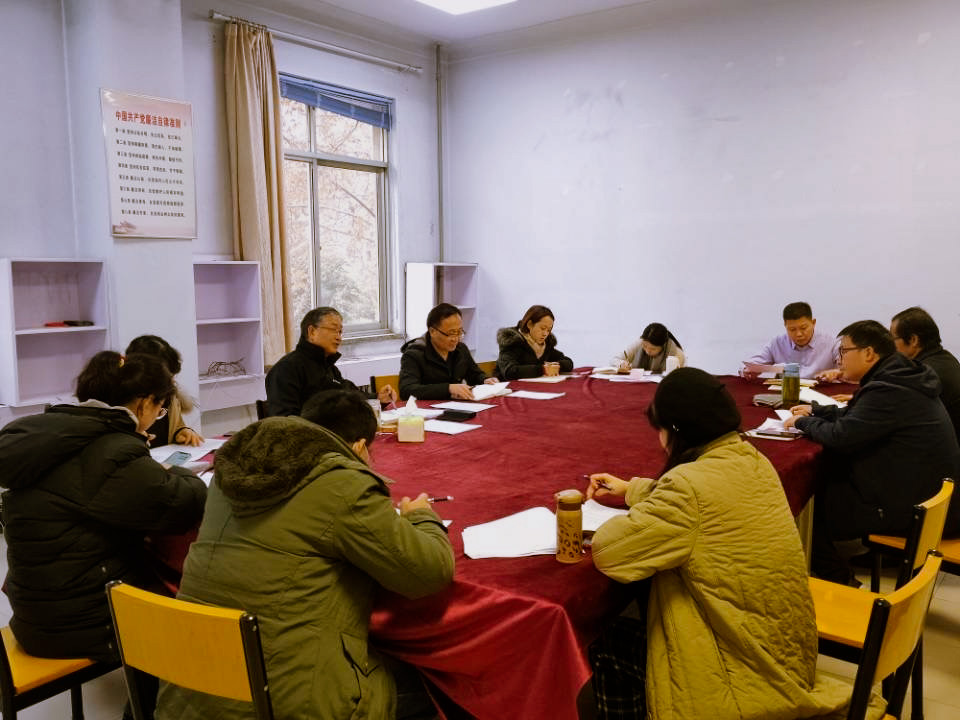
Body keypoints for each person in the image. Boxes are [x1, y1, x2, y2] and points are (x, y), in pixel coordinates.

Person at [155, 389, 455, 720]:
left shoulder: (232, 471)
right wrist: (422, 517)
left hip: (189, 688)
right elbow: (429, 573)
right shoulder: (343, 484)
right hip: (283, 702)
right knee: (441, 681)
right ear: (358, 448)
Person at [584, 368, 848, 720]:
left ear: (676, 429)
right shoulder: (751, 459)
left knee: (609, 639)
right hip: (783, 652)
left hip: (737, 680)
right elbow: (704, 502)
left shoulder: (687, 487)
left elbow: (611, 553)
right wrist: (633, 489)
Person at [0, 351, 208, 662]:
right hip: (83, 623)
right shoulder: (113, 450)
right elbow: (182, 504)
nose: (158, 416)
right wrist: (174, 470)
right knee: (196, 599)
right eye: (160, 408)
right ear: (144, 404)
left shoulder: (50, 434)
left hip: (33, 614)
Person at [784, 320, 960, 585]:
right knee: (827, 480)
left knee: (805, 506)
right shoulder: (899, 378)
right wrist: (818, 411)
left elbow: (841, 437)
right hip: (926, 494)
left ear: (868, 353)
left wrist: (802, 423)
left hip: (913, 506)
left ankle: (843, 583)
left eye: (844, 351)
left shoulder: (888, 388)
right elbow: (860, 417)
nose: (839, 359)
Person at [266, 307, 397, 416]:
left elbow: (350, 395)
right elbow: (285, 421)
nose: (339, 338)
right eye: (334, 330)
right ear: (312, 332)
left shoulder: (329, 367)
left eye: (340, 332)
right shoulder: (286, 369)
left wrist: (378, 398)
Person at [399, 302, 498, 400]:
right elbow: (407, 390)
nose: (456, 339)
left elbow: (474, 374)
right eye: (451, 333)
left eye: (459, 332)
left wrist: (485, 380)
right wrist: (448, 389)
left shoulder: (461, 349)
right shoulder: (414, 354)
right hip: (426, 408)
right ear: (432, 331)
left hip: (457, 406)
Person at [891, 306, 960, 442]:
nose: (891, 346)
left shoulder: (924, 374)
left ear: (913, 340)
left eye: (892, 339)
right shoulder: (946, 358)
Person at [125, 334, 203, 446]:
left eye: (171, 377)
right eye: (166, 377)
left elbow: (175, 426)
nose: (171, 382)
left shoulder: (170, 396)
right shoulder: (121, 403)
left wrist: (180, 432)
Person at [742, 301, 839, 379]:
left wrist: (837, 372)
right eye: (792, 329)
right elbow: (749, 364)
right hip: (786, 391)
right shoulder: (778, 343)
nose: (799, 334)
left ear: (813, 323)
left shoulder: (832, 343)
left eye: (803, 328)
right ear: (785, 326)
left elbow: (845, 370)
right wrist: (746, 370)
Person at [495, 304, 574, 380]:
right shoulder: (512, 342)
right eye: (542, 328)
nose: (545, 334)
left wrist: (557, 366)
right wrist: (543, 369)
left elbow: (568, 363)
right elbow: (509, 371)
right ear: (529, 324)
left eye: (549, 330)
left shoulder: (546, 345)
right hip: (508, 387)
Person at [613, 322, 685, 374]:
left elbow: (677, 377)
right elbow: (614, 359)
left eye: (653, 349)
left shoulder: (676, 354)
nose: (647, 351)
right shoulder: (639, 343)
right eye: (645, 346)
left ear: (663, 346)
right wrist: (621, 364)